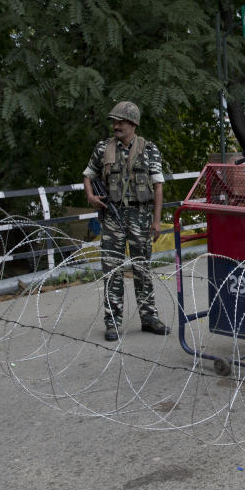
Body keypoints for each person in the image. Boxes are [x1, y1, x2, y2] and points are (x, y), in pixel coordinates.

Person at [82, 101, 171, 342]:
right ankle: (113, 322)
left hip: (140, 216)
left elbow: (158, 185)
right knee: (112, 270)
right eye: (114, 121)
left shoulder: (148, 149)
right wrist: (90, 196)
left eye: (120, 121)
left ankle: (149, 318)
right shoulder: (103, 149)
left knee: (142, 267)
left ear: (133, 124)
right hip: (112, 217)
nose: (116, 125)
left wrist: (156, 221)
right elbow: (88, 175)